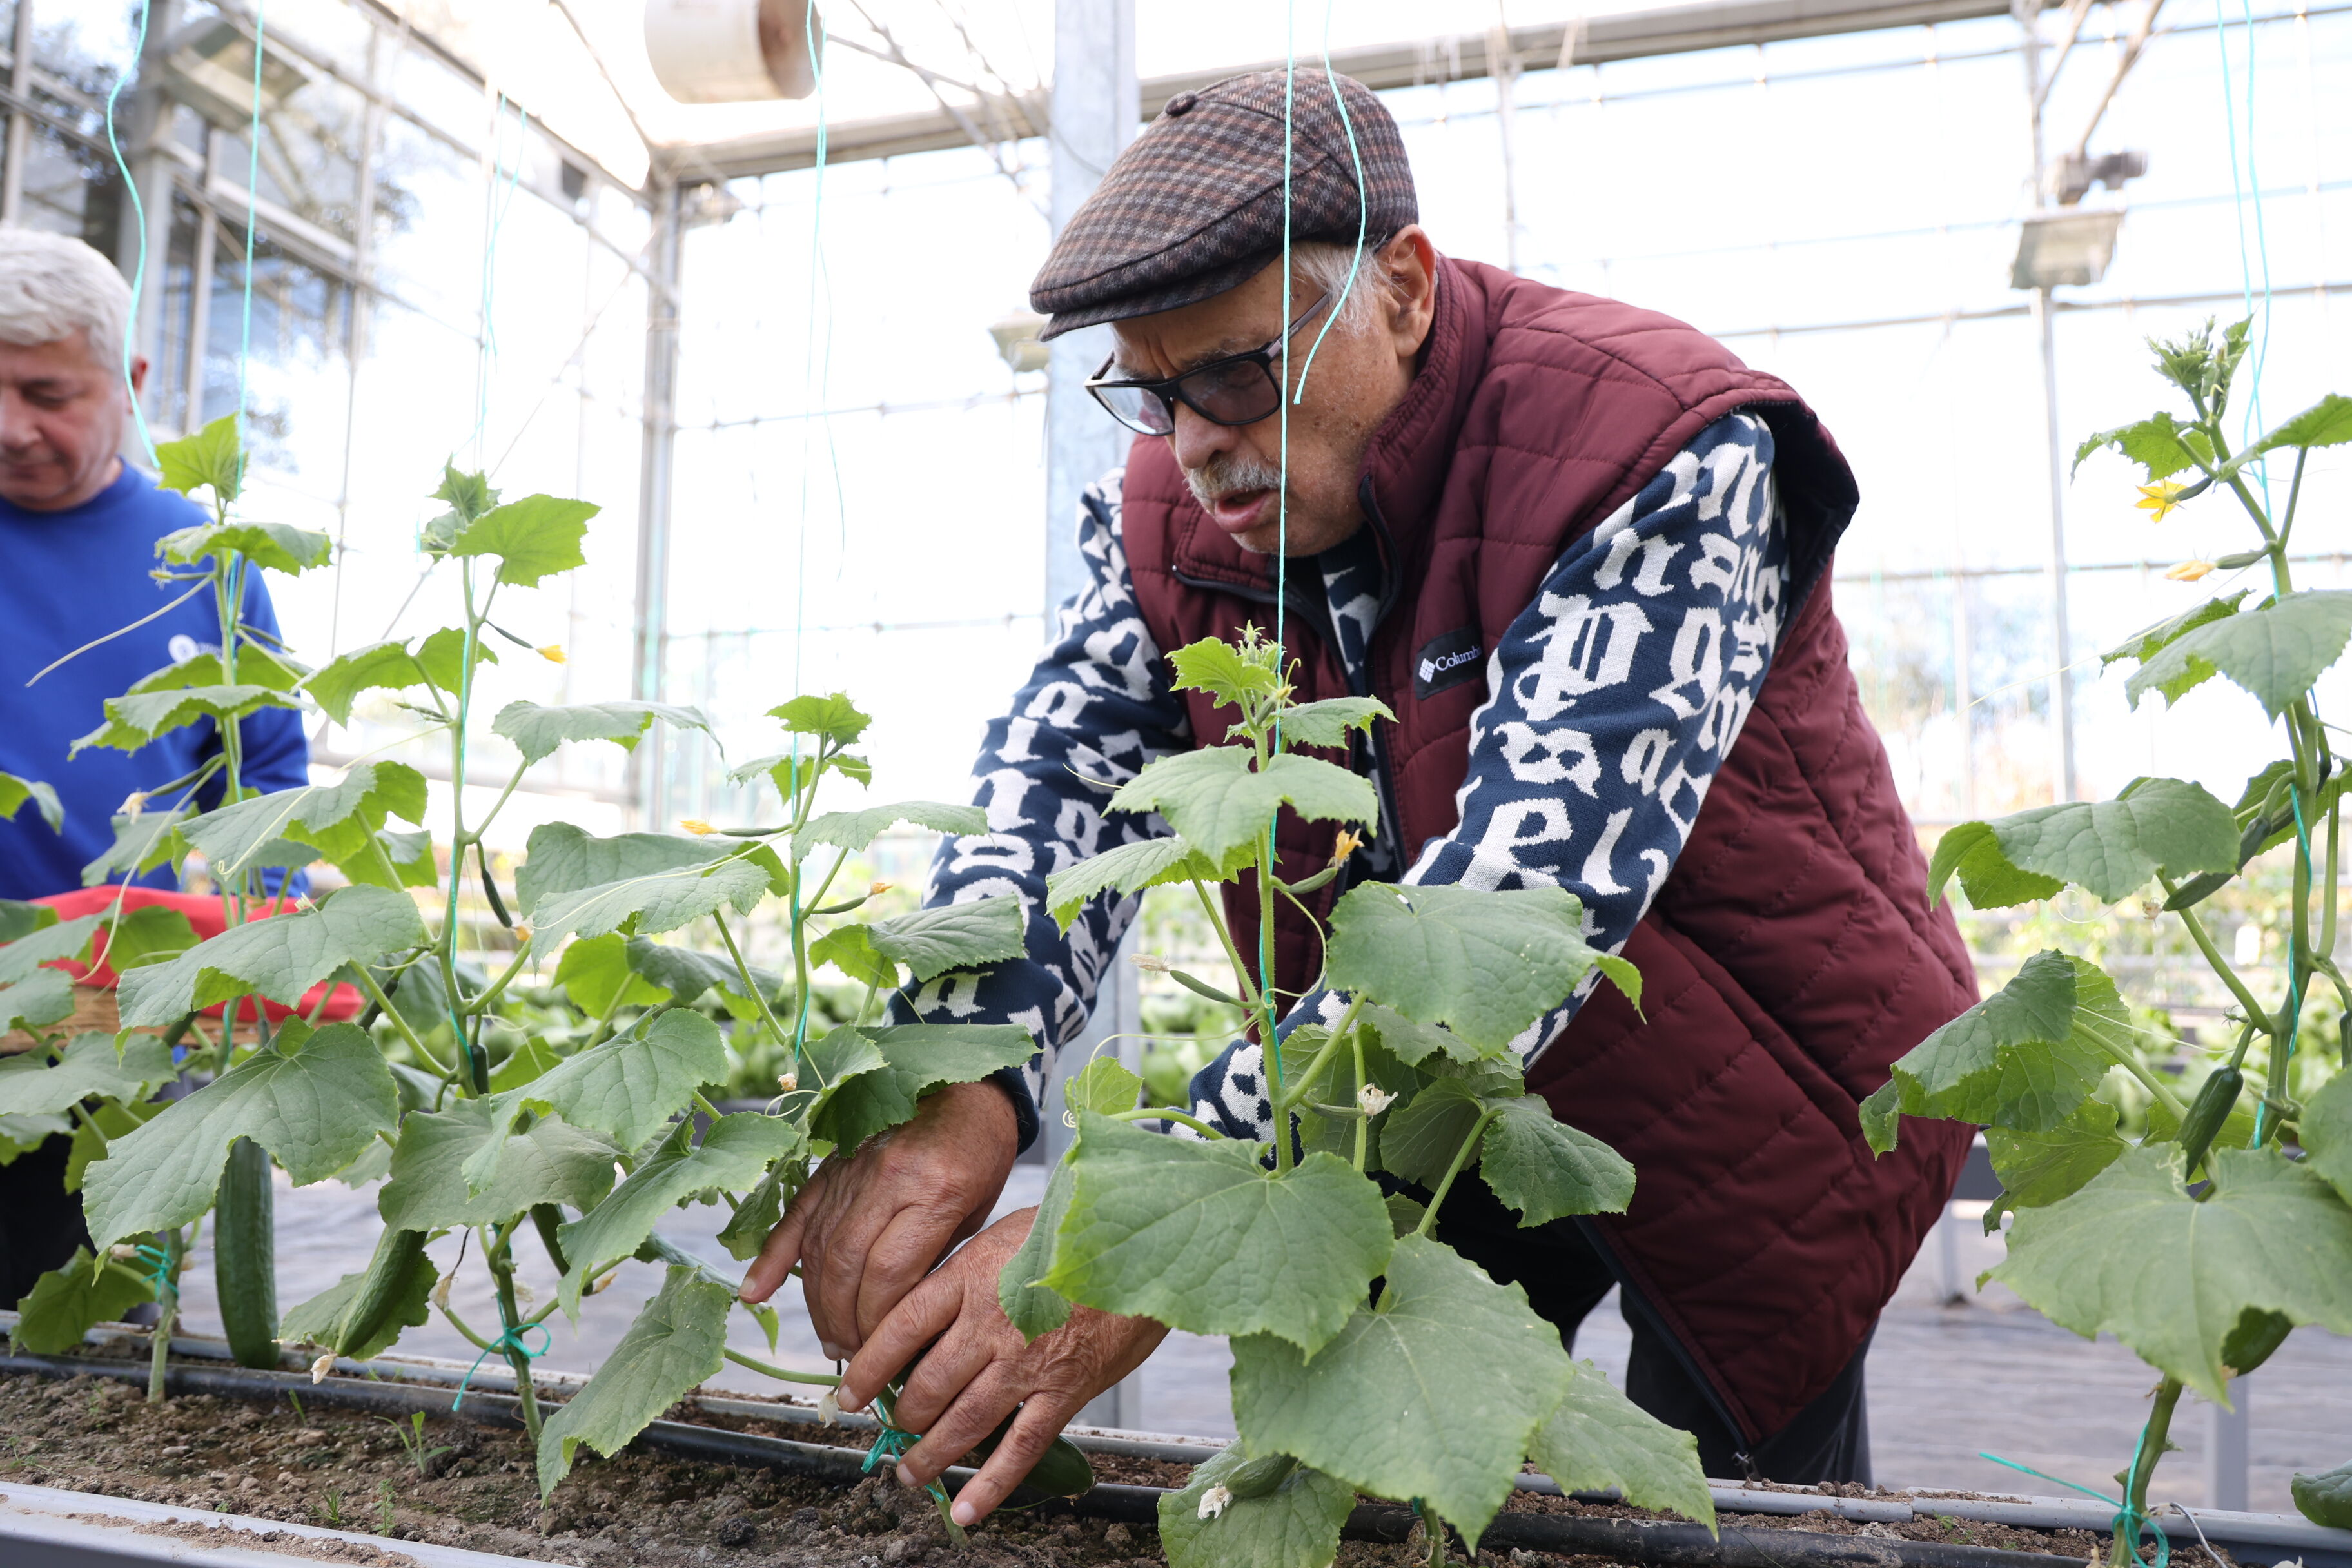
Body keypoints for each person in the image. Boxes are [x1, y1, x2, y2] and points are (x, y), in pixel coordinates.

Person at [741, 71, 1976, 1522]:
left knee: (1723, 1513)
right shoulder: (1167, 506)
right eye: (1152, 387)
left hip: (1760, 1079)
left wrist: (1153, 1228)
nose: (1191, 437)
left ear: (1401, 287)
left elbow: (1515, 917)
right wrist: (964, 1068)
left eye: (1236, 373)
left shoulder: (1661, 446)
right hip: (1418, 1102)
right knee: (1391, 1453)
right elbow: (1063, 774)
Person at [0, 226, 310, 1307]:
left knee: (86, 1332)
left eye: (46, 391)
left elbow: (267, 781)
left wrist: (271, 950)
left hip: (121, 1030)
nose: (10, 427)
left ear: (130, 380)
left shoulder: (207, 562)